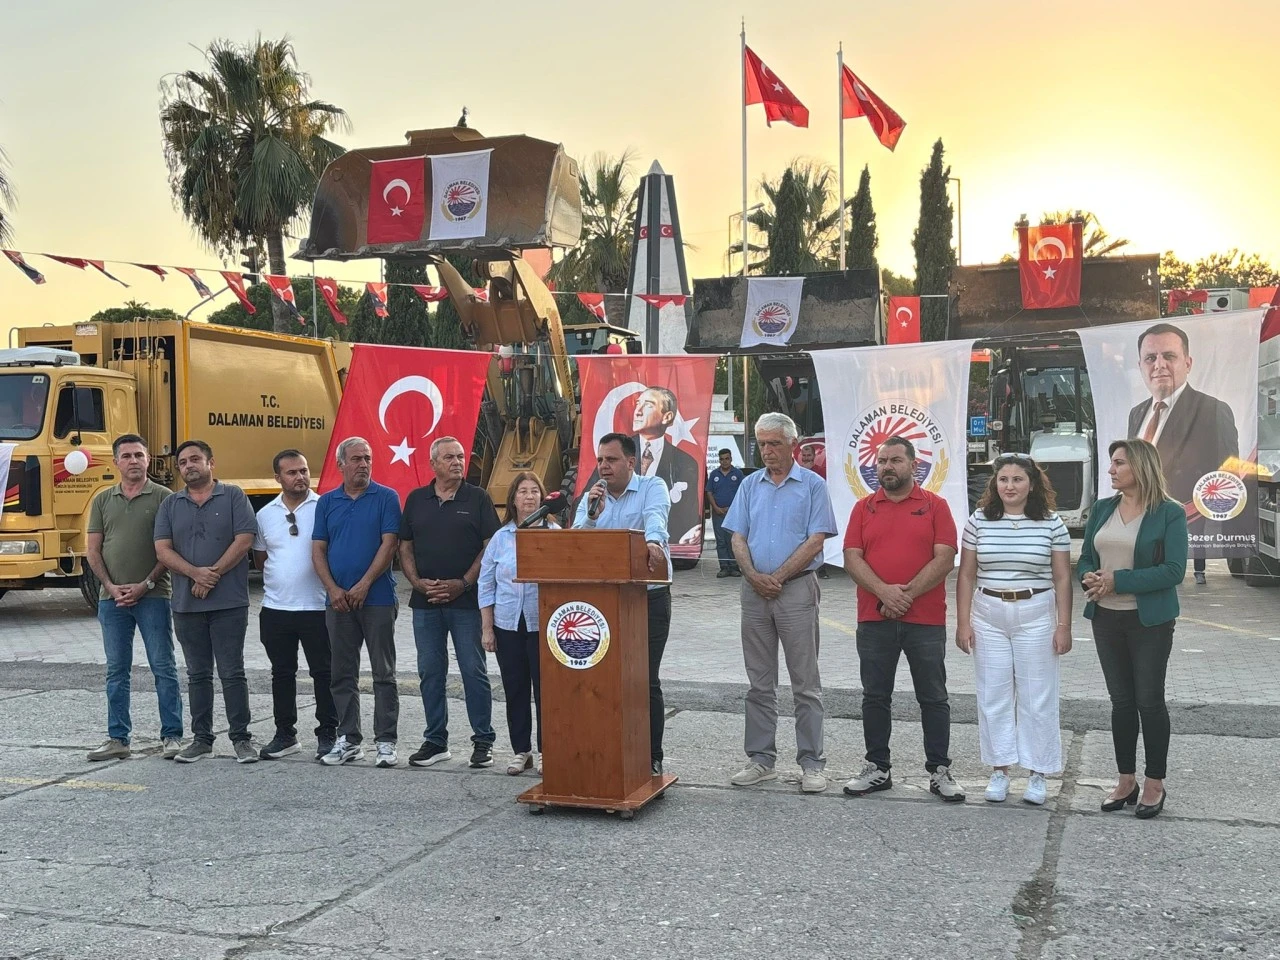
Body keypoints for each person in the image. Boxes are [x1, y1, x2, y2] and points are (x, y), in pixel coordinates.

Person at [842, 436, 964, 802]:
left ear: (914, 465)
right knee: (875, 696)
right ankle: (877, 768)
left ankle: (939, 770)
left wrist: (902, 596)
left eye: (895, 460)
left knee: (933, 697)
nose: (887, 467)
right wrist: (884, 592)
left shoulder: (936, 506)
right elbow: (852, 558)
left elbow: (945, 558)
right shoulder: (863, 508)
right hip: (874, 619)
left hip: (925, 621)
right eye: (881, 461)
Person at [724, 413, 837, 794]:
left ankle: (812, 763)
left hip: (796, 591)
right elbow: (738, 537)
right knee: (759, 683)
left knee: (805, 684)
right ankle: (761, 760)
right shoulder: (749, 485)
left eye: (774, 443)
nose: (767, 451)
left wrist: (779, 577)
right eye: (762, 444)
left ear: (793, 445)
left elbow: (816, 540)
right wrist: (753, 576)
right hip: (754, 592)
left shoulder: (813, 486)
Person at [1078, 438, 1187, 820]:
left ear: (1140, 467)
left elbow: (1174, 570)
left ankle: (1155, 782)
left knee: (1149, 701)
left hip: (1149, 622)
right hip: (1106, 618)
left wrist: (1118, 581)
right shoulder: (1103, 508)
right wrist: (1089, 576)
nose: (1111, 469)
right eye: (1112, 463)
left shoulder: (1169, 513)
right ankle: (1126, 780)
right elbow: (1086, 557)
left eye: (1119, 463)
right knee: (1121, 702)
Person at [955, 454, 1073, 805]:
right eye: (1003, 479)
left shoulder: (1052, 523)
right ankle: (1000, 770)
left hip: (1035, 612)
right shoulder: (978, 521)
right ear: (995, 484)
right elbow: (966, 575)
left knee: (1037, 695)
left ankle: (1038, 773)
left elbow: (1063, 578)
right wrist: (963, 622)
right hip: (988, 614)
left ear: (1032, 484)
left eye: (1017, 479)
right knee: (993, 694)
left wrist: (1064, 625)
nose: (1009, 486)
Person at [399, 437, 501, 769]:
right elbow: (404, 546)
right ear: (433, 464)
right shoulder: (416, 499)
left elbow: (490, 545)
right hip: (425, 601)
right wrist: (416, 582)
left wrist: (464, 583)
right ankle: (435, 741)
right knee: (430, 672)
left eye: (460, 457)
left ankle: (483, 741)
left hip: (466, 602)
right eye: (449, 458)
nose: (457, 462)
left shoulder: (478, 498)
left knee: (473, 671)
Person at [154, 440, 258, 764]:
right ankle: (202, 740)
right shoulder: (170, 505)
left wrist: (212, 574)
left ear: (211, 462)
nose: (189, 466)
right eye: (183, 462)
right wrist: (195, 574)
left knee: (232, 672)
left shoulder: (234, 496)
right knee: (197, 674)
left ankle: (241, 739)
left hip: (229, 604)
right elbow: (163, 550)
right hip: (186, 605)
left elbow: (244, 539)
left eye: (195, 459)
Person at [574, 432, 672, 774]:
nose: (604, 466)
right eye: (601, 460)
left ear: (631, 462)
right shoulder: (593, 497)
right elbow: (576, 545)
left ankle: (651, 757)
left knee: (644, 679)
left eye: (611, 460)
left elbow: (656, 518)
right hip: (603, 600)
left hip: (647, 597)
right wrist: (592, 516)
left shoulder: (652, 486)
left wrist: (654, 543)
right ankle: (609, 753)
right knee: (604, 678)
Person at [84, 434, 182, 761]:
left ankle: (172, 736)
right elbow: (93, 550)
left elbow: (170, 550)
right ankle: (118, 739)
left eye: (139, 455)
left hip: (153, 596)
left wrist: (146, 584)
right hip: (111, 600)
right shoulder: (102, 500)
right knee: (116, 670)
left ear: (148, 459)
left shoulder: (165, 498)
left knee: (163, 667)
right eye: (126, 456)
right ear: (116, 462)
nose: (133, 461)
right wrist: (110, 587)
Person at [312, 437, 402, 768]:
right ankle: (349, 739)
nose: (363, 464)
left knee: (383, 673)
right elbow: (318, 549)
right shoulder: (327, 502)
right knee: (342, 672)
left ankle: (386, 741)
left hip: (377, 599)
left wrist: (364, 584)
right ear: (341, 464)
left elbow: (389, 544)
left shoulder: (386, 497)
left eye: (367, 458)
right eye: (356, 459)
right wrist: (333, 589)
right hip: (337, 603)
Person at [1125, 322, 1236, 585]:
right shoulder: (1137, 413)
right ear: (1140, 366)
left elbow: (1229, 468)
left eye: (1169, 356)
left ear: (1188, 363)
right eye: (1150, 358)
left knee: (1189, 548)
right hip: (1144, 506)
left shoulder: (1213, 409)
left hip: (1190, 507)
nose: (1159, 365)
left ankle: (1199, 570)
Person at [252, 449, 338, 761]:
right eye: (292, 472)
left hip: (317, 607)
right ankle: (285, 735)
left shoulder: (324, 507)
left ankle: (328, 733)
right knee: (282, 673)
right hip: (276, 609)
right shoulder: (265, 514)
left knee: (324, 673)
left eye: (303, 470)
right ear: (278, 477)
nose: (300, 477)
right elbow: (260, 559)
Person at [480, 472, 553, 775]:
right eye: (523, 491)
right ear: (513, 499)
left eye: (535, 491)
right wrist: (487, 628)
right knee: (515, 688)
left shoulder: (554, 534)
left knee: (546, 690)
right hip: (508, 624)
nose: (529, 497)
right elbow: (486, 584)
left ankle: (548, 750)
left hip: (543, 625)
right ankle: (521, 751)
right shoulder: (501, 538)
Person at [706, 448, 744, 578]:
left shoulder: (737, 474)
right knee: (721, 541)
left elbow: (742, 493)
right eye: (722, 459)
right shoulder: (714, 474)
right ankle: (724, 567)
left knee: (733, 540)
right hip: (718, 514)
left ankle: (734, 567)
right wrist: (715, 507)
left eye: (727, 458)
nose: (724, 461)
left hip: (734, 513)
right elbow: (709, 492)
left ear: (731, 459)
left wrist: (732, 508)